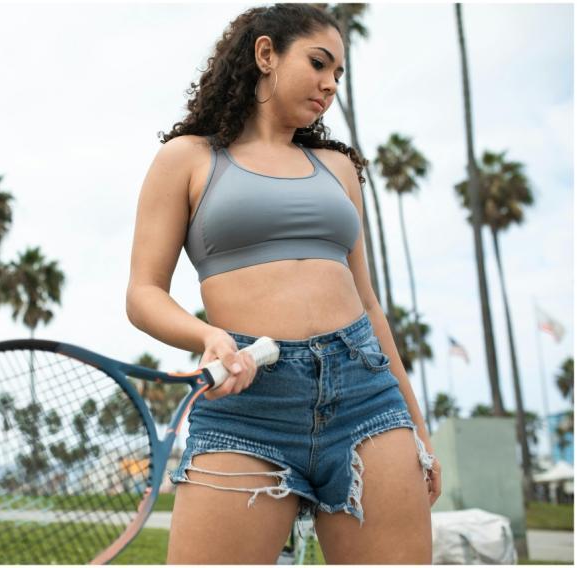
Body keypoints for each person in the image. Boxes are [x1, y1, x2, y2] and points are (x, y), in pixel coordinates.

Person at [125, 4, 441, 564]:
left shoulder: (337, 168)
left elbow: (367, 302)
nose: (330, 85)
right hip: (248, 403)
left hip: (366, 395)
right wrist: (209, 337)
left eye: (339, 74)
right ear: (266, 54)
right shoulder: (189, 158)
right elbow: (143, 292)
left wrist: (416, 426)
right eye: (319, 63)